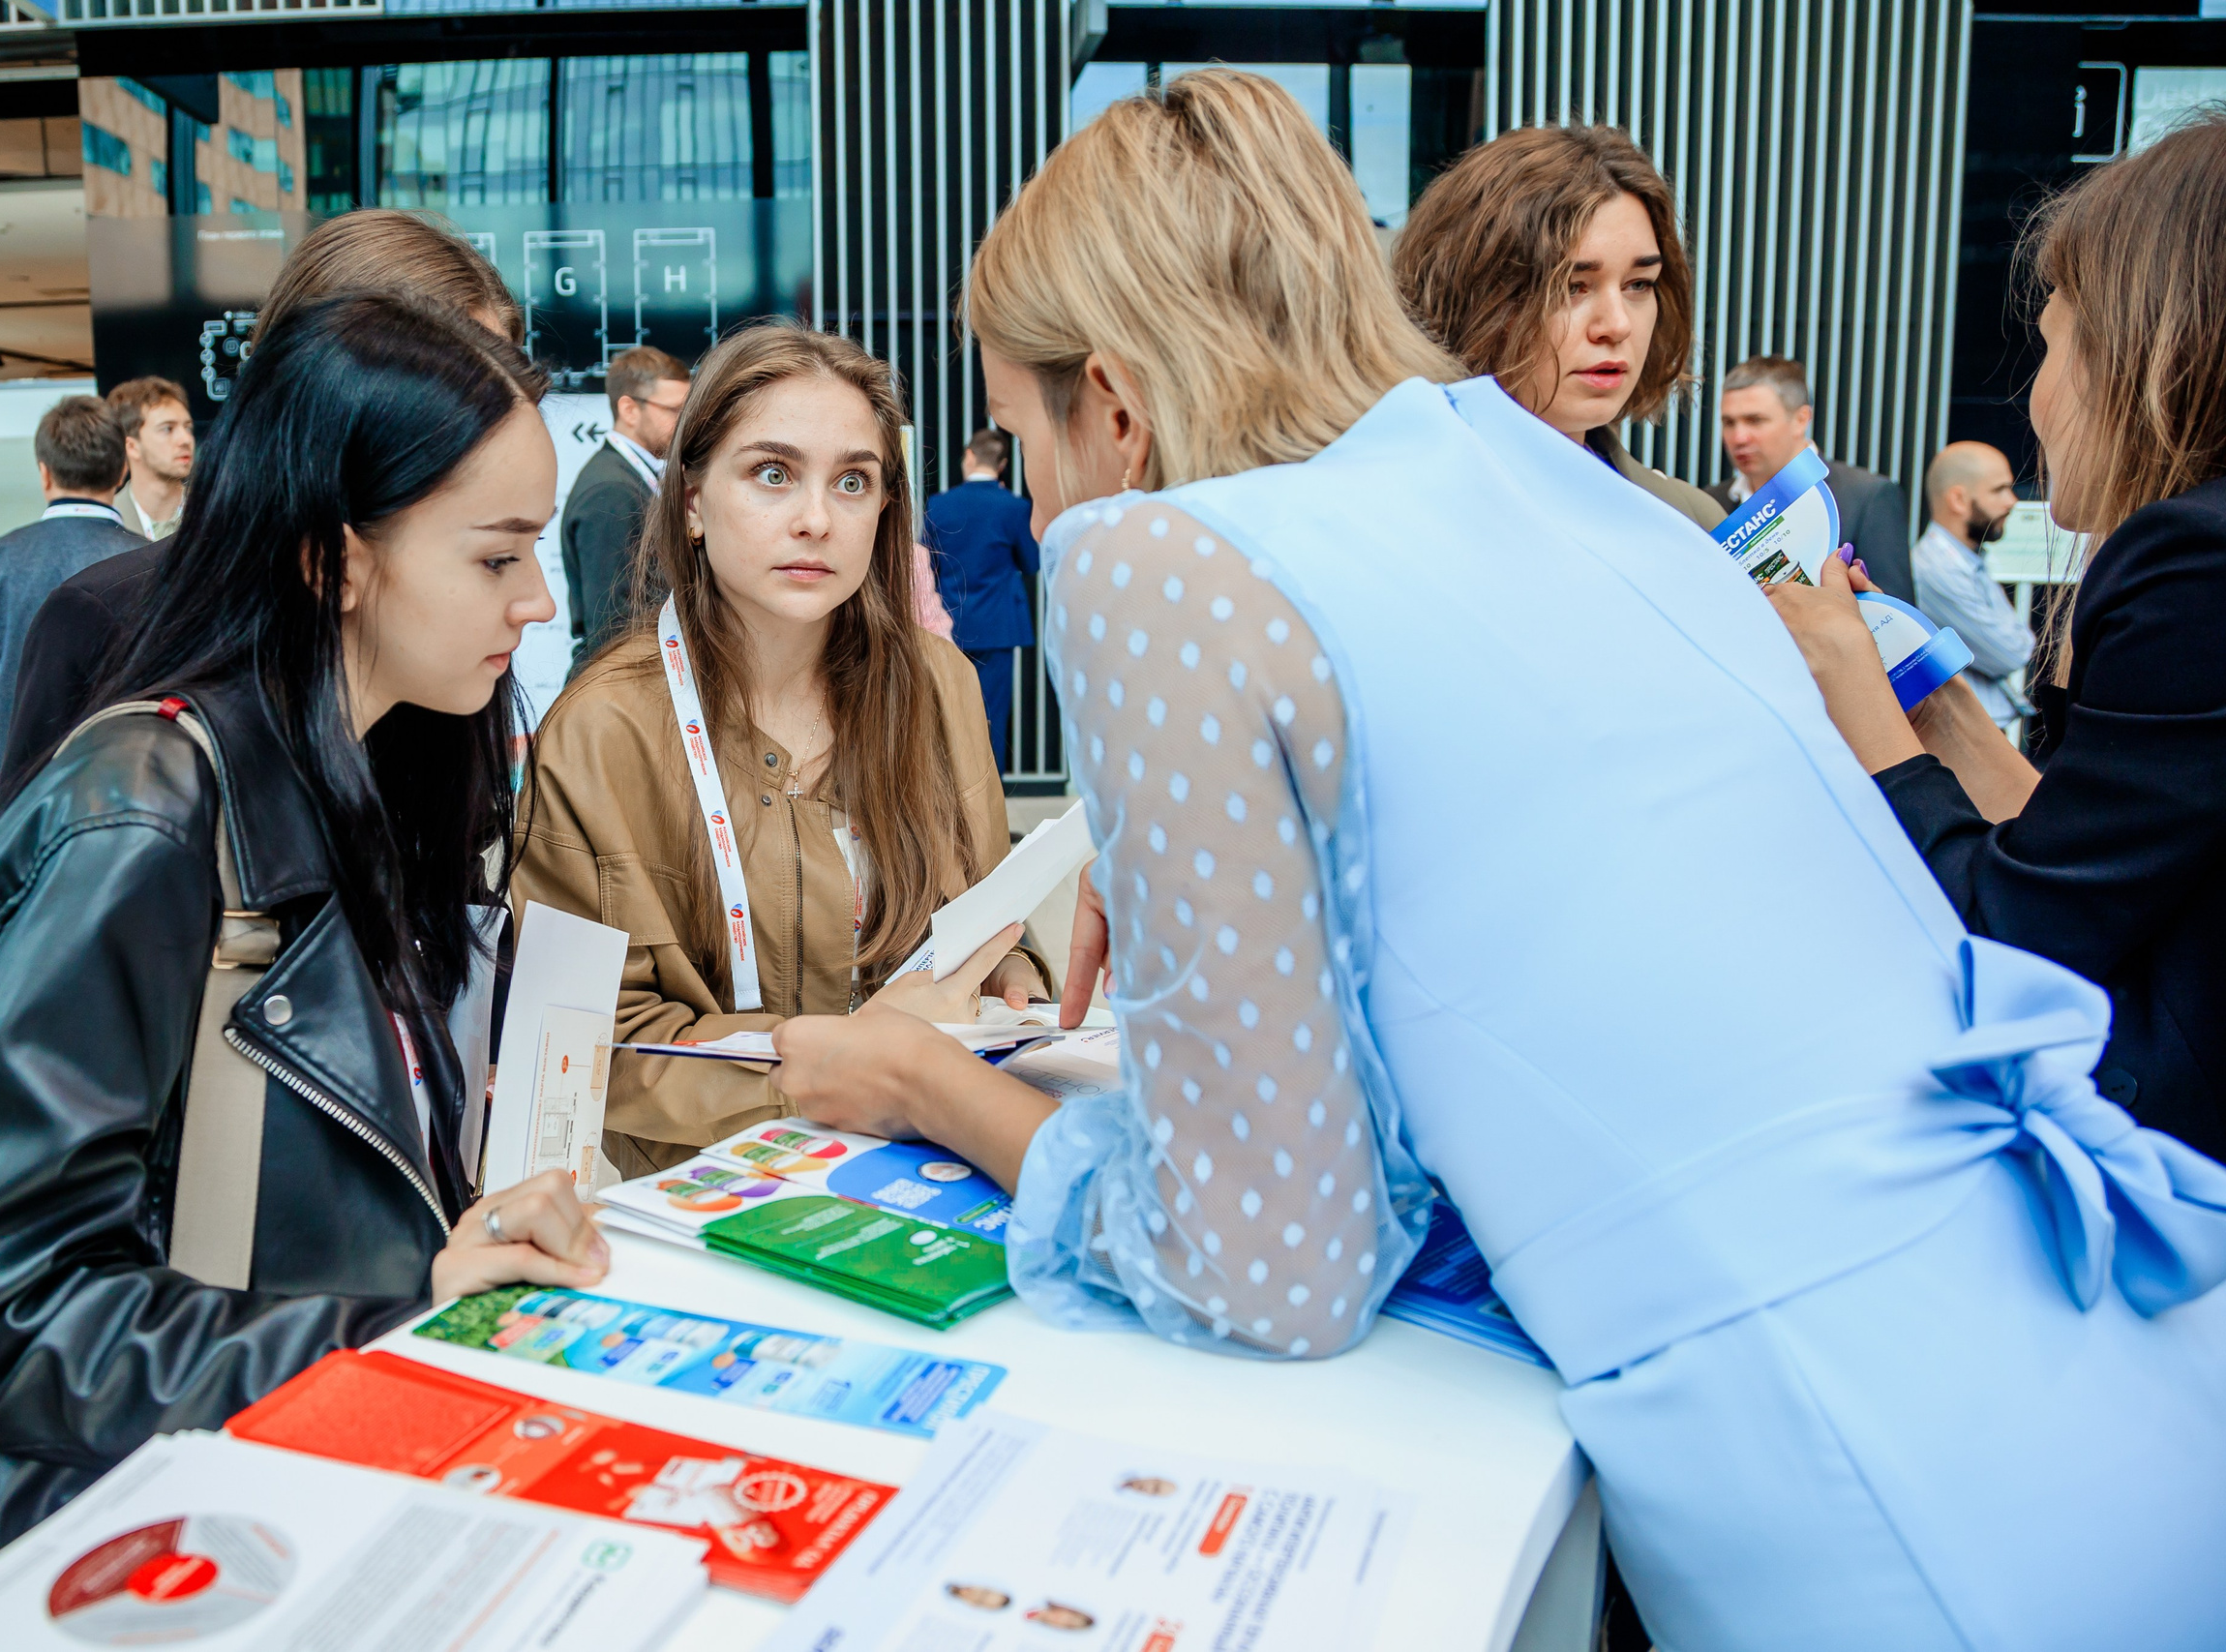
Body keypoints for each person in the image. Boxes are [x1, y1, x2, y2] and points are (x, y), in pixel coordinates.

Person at [765, 70, 2226, 1649]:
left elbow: (1274, 1264)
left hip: (1883, 1488)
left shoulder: (1146, 557)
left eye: (1017, 431)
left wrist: (920, 1081)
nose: (1030, 485)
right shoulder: (1571, 499)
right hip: (2118, 1367)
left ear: (1112, 403)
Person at [0, 293, 612, 1559]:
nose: (538, 604)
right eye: (497, 557)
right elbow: (4, 1307)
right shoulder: (148, 814)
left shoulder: (378, 771)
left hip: (311, 1477)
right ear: (336, 560)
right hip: (160, 1539)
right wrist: (391, 1320)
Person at [1766, 110, 2226, 1162]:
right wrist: (1937, 714)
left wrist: (1857, 693)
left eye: (2053, 347)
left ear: (2144, 351)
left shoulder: (2190, 564)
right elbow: (2085, 868)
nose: (2034, 398)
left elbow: (2022, 935)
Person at [515, 322, 1042, 1176]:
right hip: (709, 1207)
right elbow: (588, 1046)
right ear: (691, 501)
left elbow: (987, 908)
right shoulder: (601, 733)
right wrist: (847, 1059)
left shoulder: (938, 684)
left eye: (852, 482)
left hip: (927, 1174)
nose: (815, 519)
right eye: (772, 473)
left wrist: (1009, 970)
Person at [0, 210, 529, 801]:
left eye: (499, 392)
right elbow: (31, 875)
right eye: (447, 389)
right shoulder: (108, 617)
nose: (482, 427)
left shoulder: (461, 618)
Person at [1389, 124, 1726, 531]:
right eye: (1572, 287)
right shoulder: (1391, 518)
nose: (1616, 325)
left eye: (1639, 284)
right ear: (1473, 297)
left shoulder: (1691, 522)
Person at [0, 395, 140, 835]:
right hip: (135, 789)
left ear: (44, 472)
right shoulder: (158, 561)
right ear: (123, 470)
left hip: (22, 792)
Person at [1719, 356, 1915, 602]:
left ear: (1801, 419)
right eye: (1729, 422)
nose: (1739, 437)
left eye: (1755, 420)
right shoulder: (1711, 500)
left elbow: (1898, 618)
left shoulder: (1867, 496)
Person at [561, 345, 690, 668]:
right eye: (675, 411)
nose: (685, 424)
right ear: (630, 410)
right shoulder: (611, 490)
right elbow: (611, 625)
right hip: (617, 685)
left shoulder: (630, 477)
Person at [923, 427, 1040, 770]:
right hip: (997, 626)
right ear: (1002, 464)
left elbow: (928, 563)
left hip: (947, 624)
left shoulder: (940, 504)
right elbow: (1031, 563)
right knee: (992, 716)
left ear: (969, 456)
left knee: (946, 716)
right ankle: (991, 806)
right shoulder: (1015, 508)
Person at [1910, 440, 2034, 729]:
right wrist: (2021, 640)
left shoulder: (1965, 559)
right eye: (1998, 490)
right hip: (1963, 734)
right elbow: (2013, 653)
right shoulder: (1936, 569)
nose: (2012, 501)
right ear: (1958, 500)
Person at [107, 375, 196, 540]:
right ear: (132, 447)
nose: (186, 440)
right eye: (168, 429)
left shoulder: (214, 510)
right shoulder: (108, 520)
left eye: (188, 428)